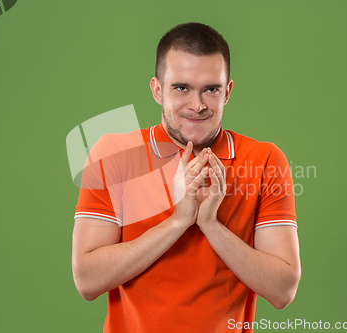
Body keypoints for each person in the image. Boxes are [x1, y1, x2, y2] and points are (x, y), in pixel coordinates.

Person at [72, 22, 301, 333]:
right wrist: (179, 221)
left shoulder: (264, 160)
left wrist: (210, 225)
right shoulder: (114, 153)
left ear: (227, 92)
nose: (197, 105)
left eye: (211, 89)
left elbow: (282, 290)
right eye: (181, 88)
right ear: (157, 90)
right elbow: (87, 280)